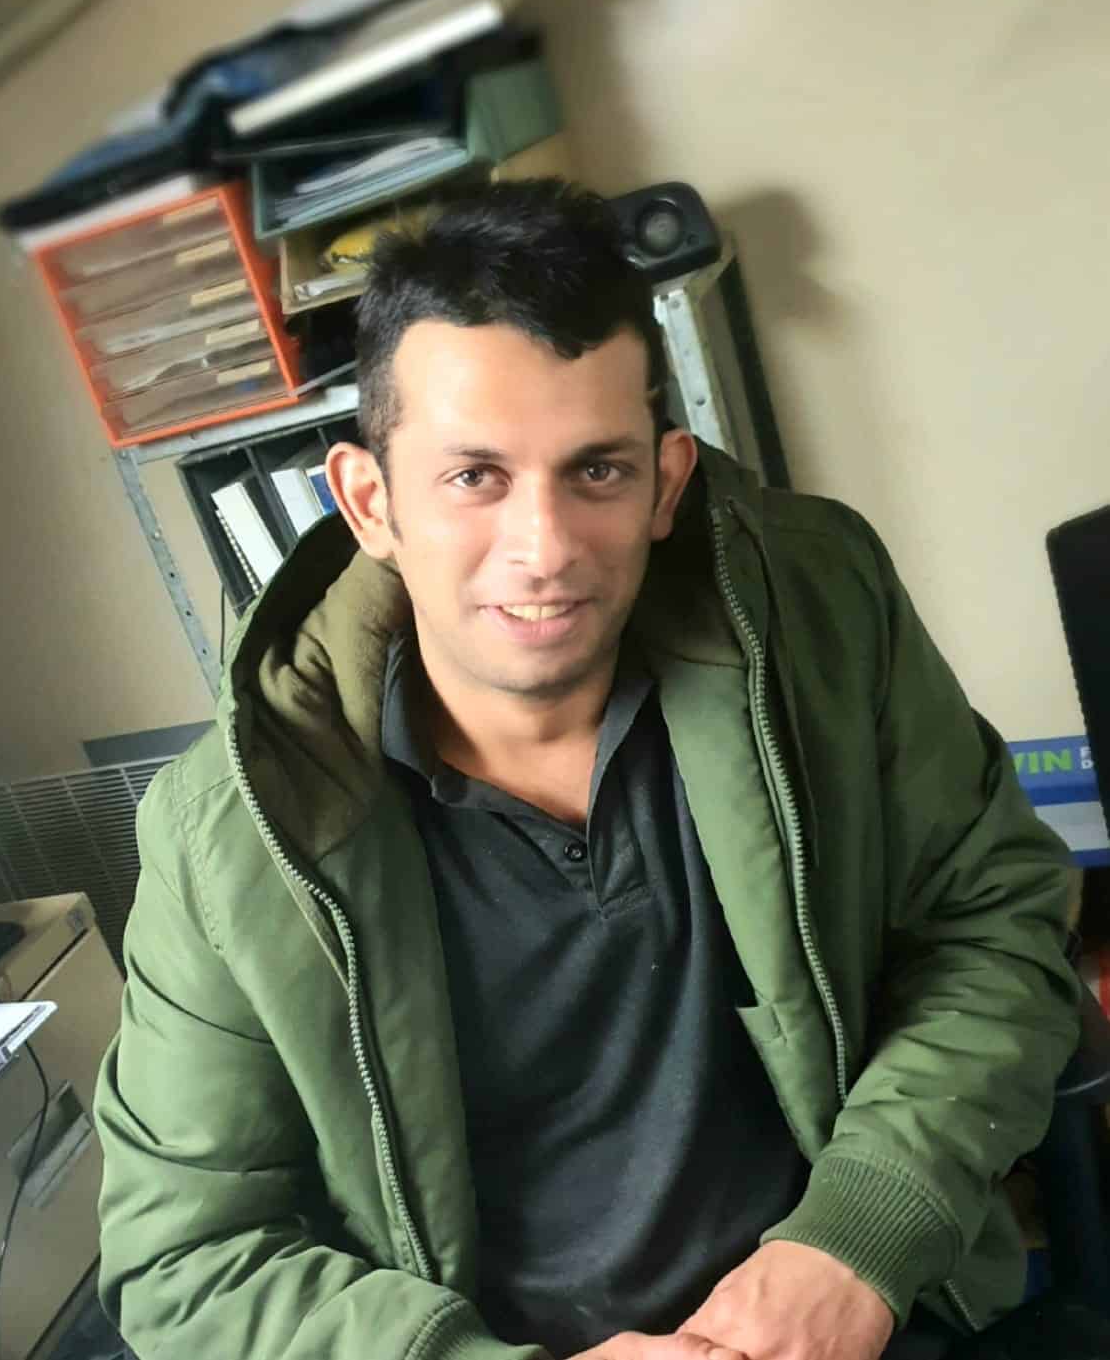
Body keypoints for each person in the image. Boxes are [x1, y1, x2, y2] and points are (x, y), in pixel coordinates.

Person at [95, 179, 1080, 1360]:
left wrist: (857, 1235)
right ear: (368, 501)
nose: (545, 548)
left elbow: (993, 922)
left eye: (596, 471)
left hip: (858, 1315)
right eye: (474, 476)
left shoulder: (821, 608)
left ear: (666, 480)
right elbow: (185, 1263)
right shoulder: (228, 831)